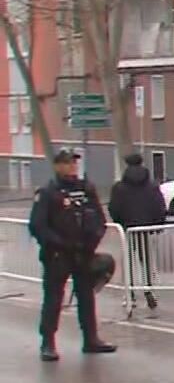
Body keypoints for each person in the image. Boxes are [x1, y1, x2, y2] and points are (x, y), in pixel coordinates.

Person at [29, 149, 116, 361]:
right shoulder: (48, 192)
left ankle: (91, 339)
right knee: (53, 299)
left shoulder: (86, 189)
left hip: (83, 252)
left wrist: (92, 240)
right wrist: (59, 243)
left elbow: (99, 219)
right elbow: (38, 225)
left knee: (86, 297)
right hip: (58, 255)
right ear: (58, 166)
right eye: (68, 163)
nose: (72, 167)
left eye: (74, 163)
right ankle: (48, 342)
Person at [109, 151, 168, 312]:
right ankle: (149, 289)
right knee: (146, 261)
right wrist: (157, 224)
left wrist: (120, 222)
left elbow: (114, 208)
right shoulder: (152, 185)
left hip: (128, 228)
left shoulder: (119, 187)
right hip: (146, 229)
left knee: (128, 262)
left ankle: (130, 293)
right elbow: (159, 205)